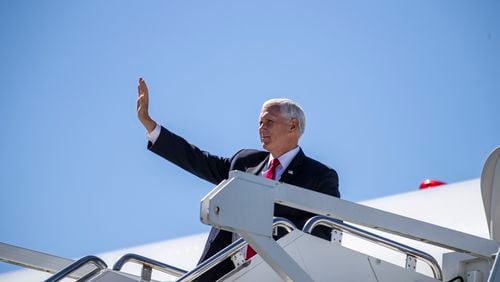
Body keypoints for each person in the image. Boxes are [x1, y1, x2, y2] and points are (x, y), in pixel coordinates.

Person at [136, 77, 340, 280]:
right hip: (228, 273)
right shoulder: (244, 162)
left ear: (293, 126)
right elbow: (197, 159)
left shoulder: (319, 175)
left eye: (269, 122)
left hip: (280, 273)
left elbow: (324, 234)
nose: (262, 128)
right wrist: (151, 127)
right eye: (260, 122)